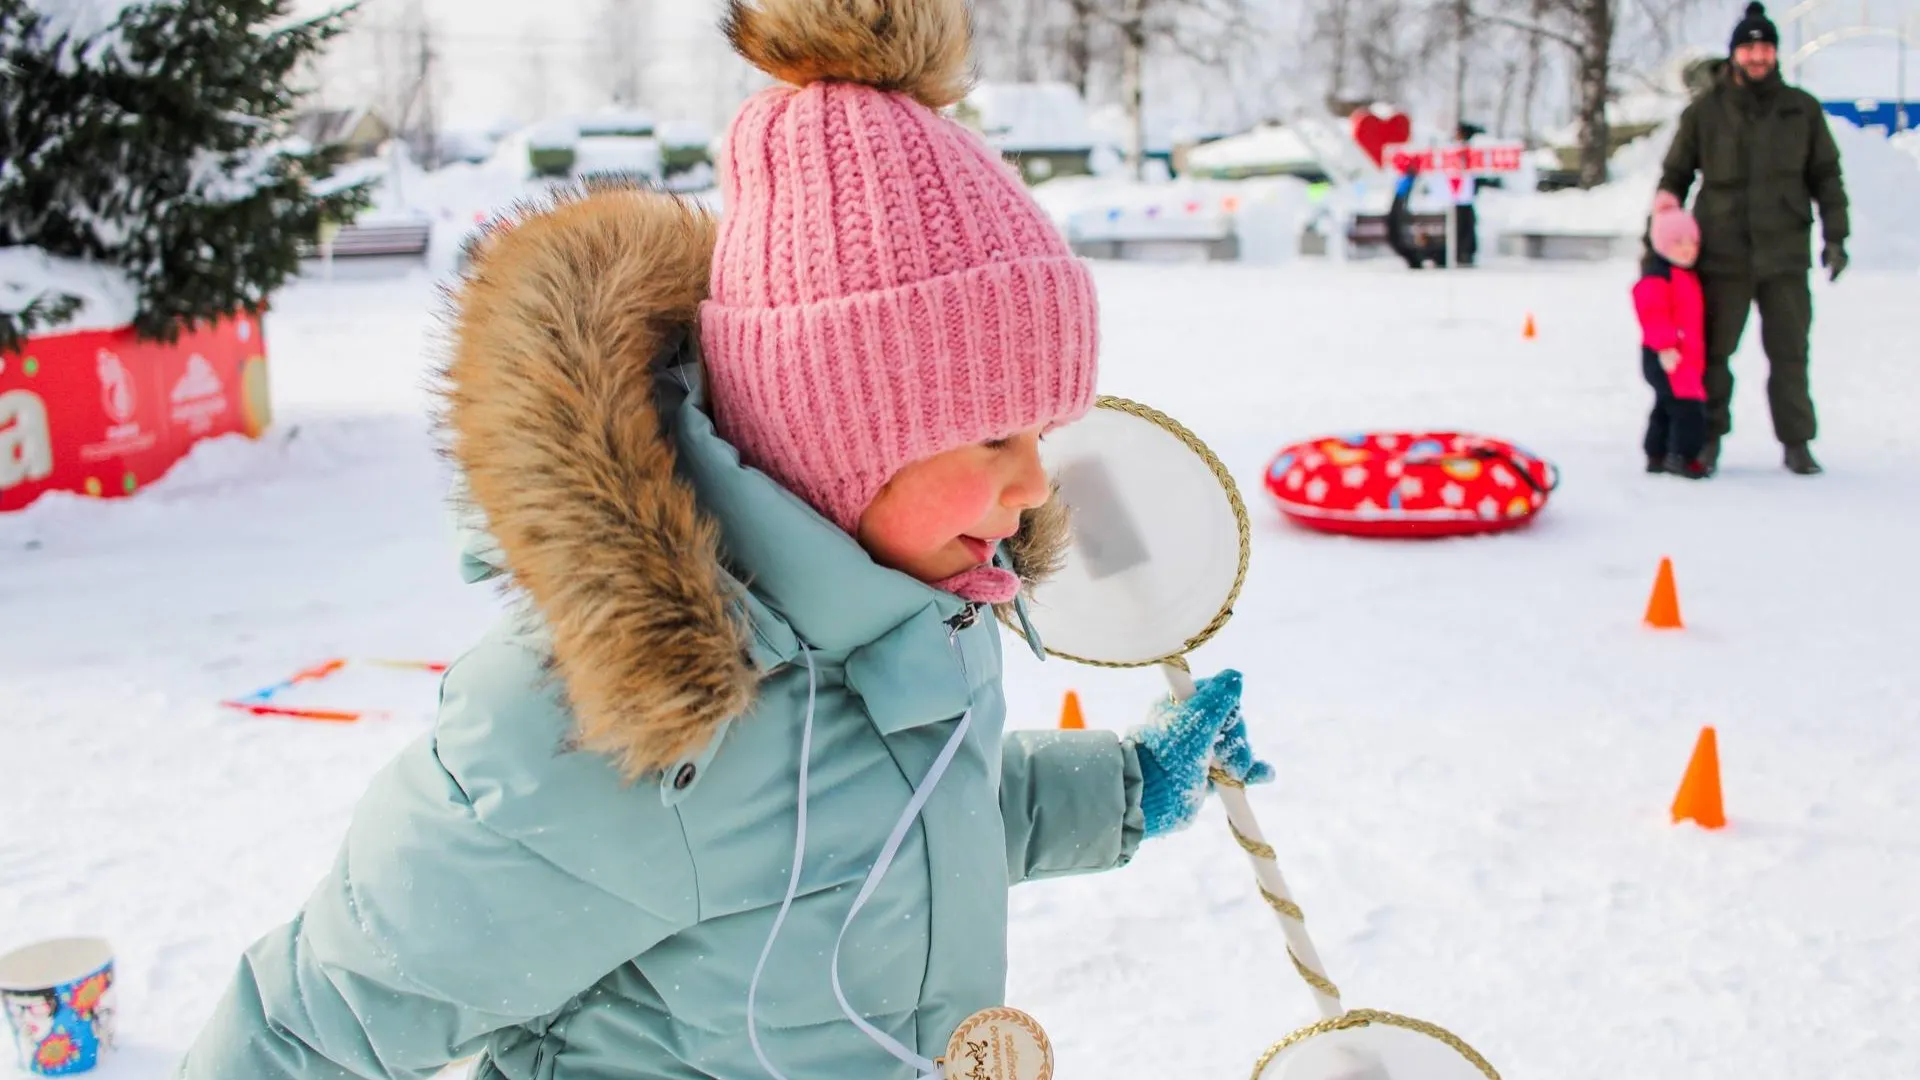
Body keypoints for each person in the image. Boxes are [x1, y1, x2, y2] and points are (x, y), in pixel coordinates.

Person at [174, 2, 1271, 1078]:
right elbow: (318, 1024)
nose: (1033, 482)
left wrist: (1125, 788)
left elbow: (910, 822)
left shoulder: (918, 607)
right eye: (990, 433)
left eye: (1041, 429)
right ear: (837, 434)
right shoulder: (612, 733)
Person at [1658, 1, 1849, 476]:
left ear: (1775, 54)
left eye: (1765, 47)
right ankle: (1707, 441)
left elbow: (1827, 176)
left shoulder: (1800, 109)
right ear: (1735, 54)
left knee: (1789, 355)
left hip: (1784, 254)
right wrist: (1659, 243)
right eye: (1750, 48)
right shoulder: (1705, 111)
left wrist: (1836, 236)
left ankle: (1797, 443)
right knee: (1714, 355)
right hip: (1721, 253)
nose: (1758, 56)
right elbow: (1674, 176)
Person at [1634, 195, 1710, 479]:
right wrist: (1665, 346)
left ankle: (1657, 452)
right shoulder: (1658, 276)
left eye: (1693, 243)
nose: (1688, 250)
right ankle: (1683, 455)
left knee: (1667, 405)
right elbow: (1652, 314)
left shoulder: (1683, 274)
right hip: (1668, 355)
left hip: (1683, 356)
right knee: (1688, 409)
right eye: (1679, 244)